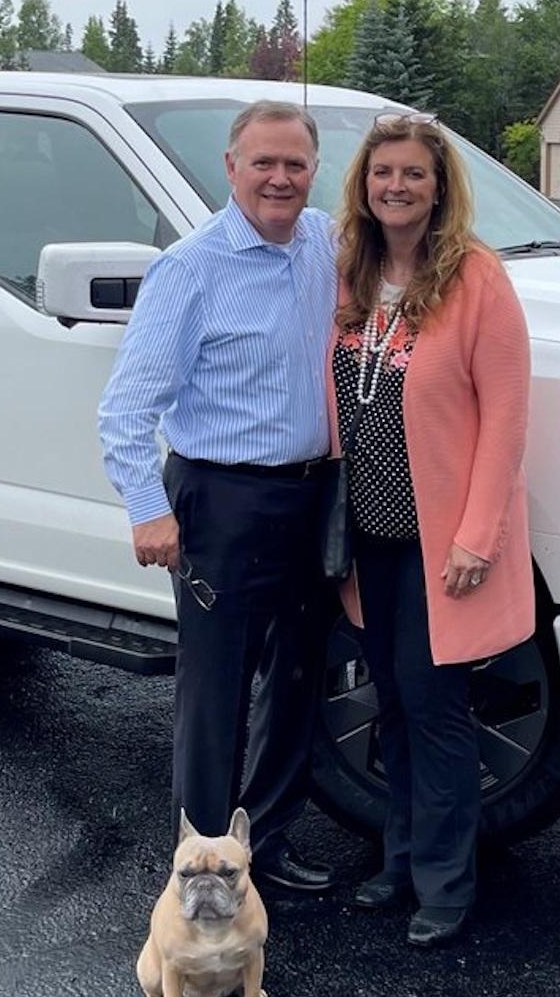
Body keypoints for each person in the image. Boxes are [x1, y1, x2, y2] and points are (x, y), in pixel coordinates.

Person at [97, 99, 339, 893]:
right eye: (262, 162)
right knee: (218, 694)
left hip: (310, 497)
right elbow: (125, 408)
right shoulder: (191, 268)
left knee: (297, 678)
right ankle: (204, 866)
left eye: (295, 164)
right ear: (231, 168)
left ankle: (263, 844)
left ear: (313, 170)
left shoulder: (324, 244)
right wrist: (146, 507)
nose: (280, 178)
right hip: (221, 503)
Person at [331, 111, 534, 946]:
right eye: (384, 174)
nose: (397, 187)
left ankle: (447, 883)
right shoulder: (350, 271)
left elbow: (507, 416)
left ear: (439, 186)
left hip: (439, 542)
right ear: (364, 185)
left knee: (437, 709)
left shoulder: (476, 278)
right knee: (393, 705)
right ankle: (398, 859)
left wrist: (476, 535)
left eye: (414, 174)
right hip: (366, 538)